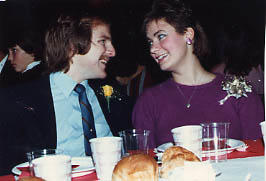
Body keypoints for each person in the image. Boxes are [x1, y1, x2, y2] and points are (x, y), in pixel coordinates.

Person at [0, 10, 133, 175]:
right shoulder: (19, 101)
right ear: (72, 46)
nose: (112, 51)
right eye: (103, 41)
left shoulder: (112, 94)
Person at [132, 0, 264, 149]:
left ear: (188, 35)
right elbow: (144, 166)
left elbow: (258, 159)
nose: (153, 49)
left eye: (161, 36)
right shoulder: (148, 102)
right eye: (150, 42)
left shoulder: (240, 93)